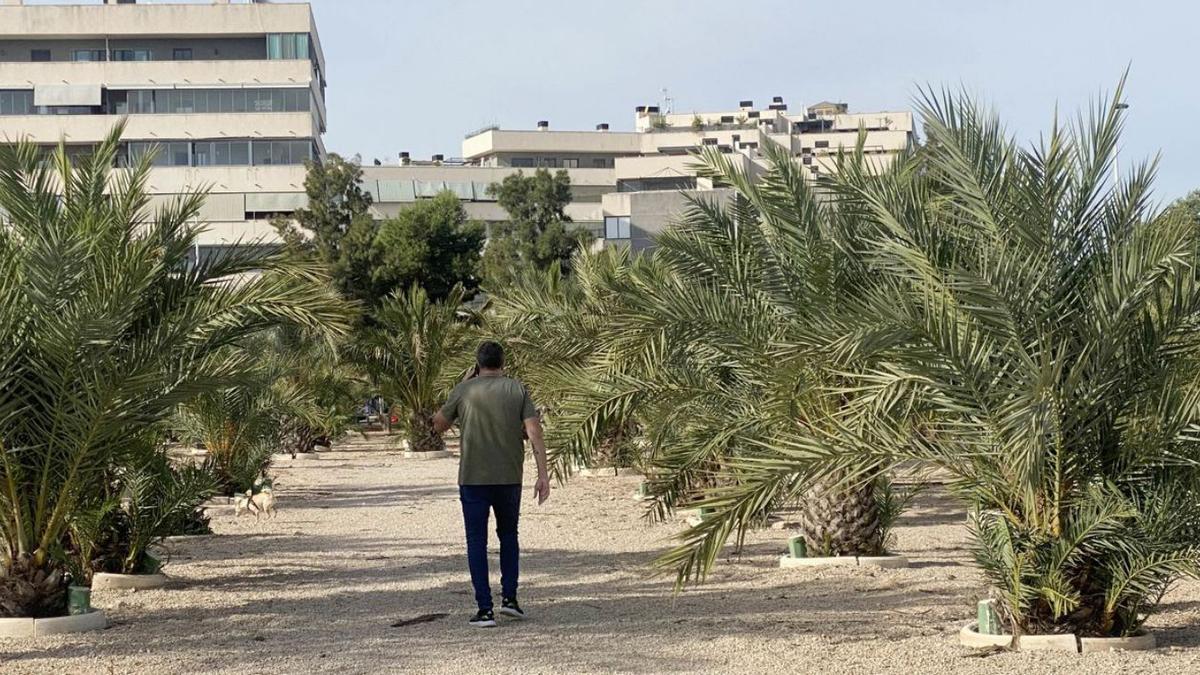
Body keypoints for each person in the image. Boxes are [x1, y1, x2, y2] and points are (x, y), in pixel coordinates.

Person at [433, 341, 550, 628]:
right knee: (509, 535)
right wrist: (543, 474)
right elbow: (534, 431)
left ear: (477, 363)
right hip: (509, 476)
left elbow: (438, 424)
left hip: (473, 478)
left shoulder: (464, 390)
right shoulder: (517, 389)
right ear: (502, 362)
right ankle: (510, 599)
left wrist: (460, 388)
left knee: (477, 541)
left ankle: (484, 609)